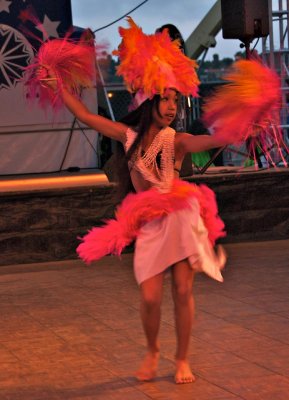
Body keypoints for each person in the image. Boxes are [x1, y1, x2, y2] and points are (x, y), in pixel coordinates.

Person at [37, 18, 227, 385]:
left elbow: (212, 141)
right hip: (151, 223)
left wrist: (242, 125)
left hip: (182, 216)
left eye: (175, 100)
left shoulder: (179, 138)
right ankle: (153, 350)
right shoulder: (127, 135)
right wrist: (59, 85)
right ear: (149, 101)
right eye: (166, 99)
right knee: (152, 297)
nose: (172, 107)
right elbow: (85, 115)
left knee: (183, 289)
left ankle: (182, 358)